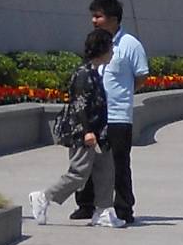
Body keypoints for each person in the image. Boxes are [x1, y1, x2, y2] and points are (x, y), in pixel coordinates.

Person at [28, 29, 125, 228]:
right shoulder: (83, 74)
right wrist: (87, 131)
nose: (113, 52)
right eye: (110, 48)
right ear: (102, 49)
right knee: (79, 173)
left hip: (100, 132)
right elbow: (79, 105)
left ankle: (103, 211)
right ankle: (44, 197)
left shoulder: (93, 72)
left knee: (106, 170)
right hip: (85, 134)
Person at [71, 0, 149, 224]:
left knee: (118, 163)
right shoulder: (95, 41)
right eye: (93, 16)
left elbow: (141, 75)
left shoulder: (130, 44)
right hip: (94, 116)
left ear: (113, 19)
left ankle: (124, 208)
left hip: (117, 115)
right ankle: (86, 204)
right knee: (87, 160)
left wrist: (123, 93)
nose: (94, 20)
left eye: (99, 16)